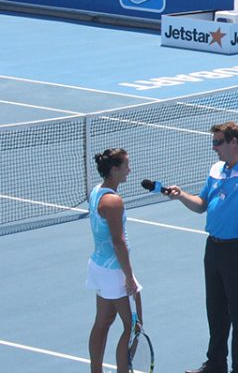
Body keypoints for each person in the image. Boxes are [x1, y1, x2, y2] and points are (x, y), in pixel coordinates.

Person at [164, 122, 238, 373]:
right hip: (214, 248)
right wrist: (181, 195)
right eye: (214, 142)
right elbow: (200, 204)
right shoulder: (217, 169)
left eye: (218, 142)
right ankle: (216, 363)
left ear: (233, 143)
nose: (214, 148)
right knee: (216, 309)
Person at [86, 148, 142, 373]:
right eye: (126, 165)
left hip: (98, 267)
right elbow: (119, 242)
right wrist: (129, 277)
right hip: (115, 270)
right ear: (114, 169)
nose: (130, 169)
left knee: (103, 321)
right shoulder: (113, 202)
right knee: (133, 326)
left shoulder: (96, 191)